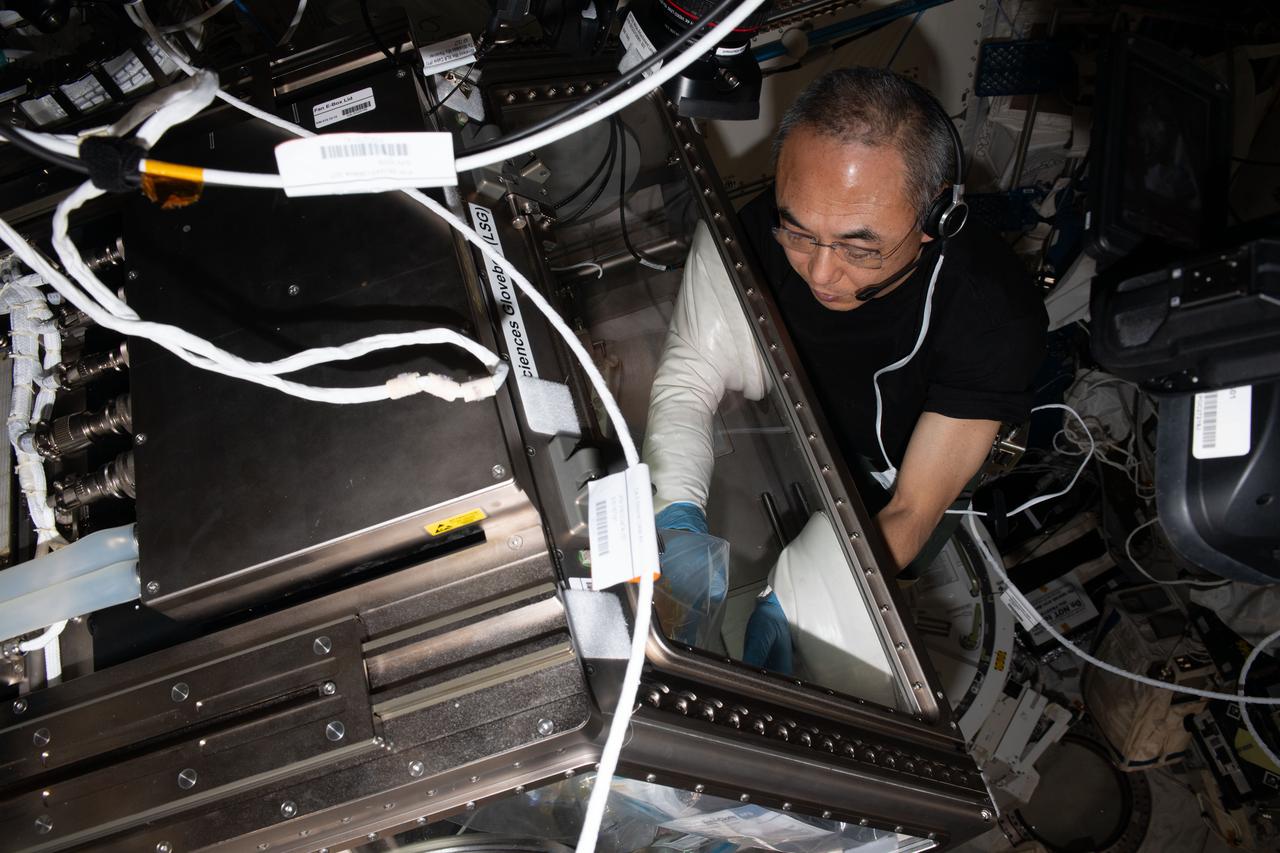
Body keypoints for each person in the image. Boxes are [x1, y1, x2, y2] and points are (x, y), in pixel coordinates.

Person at [641, 67, 1047, 699]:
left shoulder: (992, 314)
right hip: (814, 419)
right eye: (799, 231)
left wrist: (812, 609)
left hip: (898, 468)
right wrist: (676, 515)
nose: (822, 273)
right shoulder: (753, 232)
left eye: (861, 249)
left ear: (937, 213)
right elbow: (692, 372)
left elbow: (911, 512)